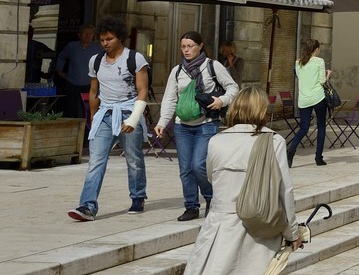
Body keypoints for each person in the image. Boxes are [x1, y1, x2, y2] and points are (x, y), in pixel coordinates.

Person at [182, 86, 301, 275]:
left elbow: (208, 177)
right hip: (259, 228)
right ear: (261, 111)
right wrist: (292, 233)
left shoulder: (216, 141)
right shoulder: (272, 141)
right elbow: (283, 193)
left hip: (222, 226)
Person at [68, 17, 151, 221]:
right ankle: (87, 206)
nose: (105, 43)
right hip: (105, 114)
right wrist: (94, 117)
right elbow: (94, 90)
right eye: (102, 39)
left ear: (120, 38)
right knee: (96, 161)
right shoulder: (95, 60)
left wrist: (133, 119)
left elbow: (143, 90)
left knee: (133, 160)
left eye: (109, 39)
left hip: (128, 111)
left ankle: (138, 196)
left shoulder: (135, 58)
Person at [155, 31, 240, 221]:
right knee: (185, 168)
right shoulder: (177, 71)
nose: (186, 50)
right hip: (182, 126)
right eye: (183, 46)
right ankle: (191, 206)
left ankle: (211, 198)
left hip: (206, 124)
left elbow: (233, 88)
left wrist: (221, 100)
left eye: (190, 46)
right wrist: (162, 122)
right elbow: (169, 98)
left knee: (198, 165)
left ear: (200, 46)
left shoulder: (213, 66)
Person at [285, 39, 329, 168]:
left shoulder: (298, 63)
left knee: (303, 128)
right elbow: (321, 81)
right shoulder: (319, 61)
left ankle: (291, 151)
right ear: (316, 49)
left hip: (303, 99)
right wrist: (328, 75)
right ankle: (318, 157)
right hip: (318, 97)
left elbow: (301, 78)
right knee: (321, 126)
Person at [51, 24, 97, 120]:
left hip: (90, 83)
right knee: (70, 108)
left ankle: (86, 129)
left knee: (87, 109)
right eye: (85, 33)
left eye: (90, 33)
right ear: (79, 35)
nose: (88, 35)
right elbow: (62, 56)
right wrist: (59, 70)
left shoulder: (98, 48)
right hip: (72, 82)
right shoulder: (72, 46)